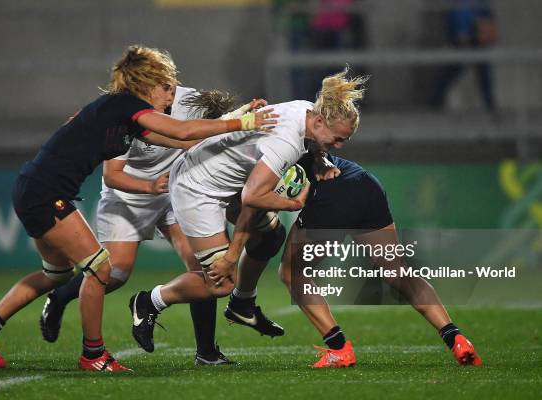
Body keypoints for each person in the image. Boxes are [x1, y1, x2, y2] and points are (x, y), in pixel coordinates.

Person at [0, 45, 276, 372]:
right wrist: (245, 124)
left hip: (34, 187)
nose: (170, 96)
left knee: (57, 274)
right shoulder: (126, 106)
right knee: (102, 270)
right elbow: (181, 132)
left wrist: (238, 117)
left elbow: (183, 140)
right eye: (164, 87)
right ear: (145, 84)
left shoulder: (122, 112)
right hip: (46, 193)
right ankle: (93, 355)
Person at [129, 67, 366, 354]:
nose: (338, 146)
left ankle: (243, 304)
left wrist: (320, 159)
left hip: (222, 179)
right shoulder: (287, 142)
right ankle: (149, 301)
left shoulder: (306, 109)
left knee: (270, 236)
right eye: (337, 138)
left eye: (344, 141)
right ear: (318, 121)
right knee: (220, 281)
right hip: (197, 188)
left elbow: (310, 146)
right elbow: (253, 198)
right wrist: (234, 253)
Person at [39, 86, 265, 365]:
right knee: (115, 273)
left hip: (174, 192)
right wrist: (150, 186)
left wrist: (249, 112)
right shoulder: (124, 112)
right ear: (149, 83)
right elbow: (113, 176)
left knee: (205, 268)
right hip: (129, 196)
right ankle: (60, 297)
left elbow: (213, 125)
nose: (171, 90)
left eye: (172, 82)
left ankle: (206, 352)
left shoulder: (189, 99)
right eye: (164, 83)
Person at [226, 147, 483, 368]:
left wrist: (232, 252)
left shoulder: (262, 154)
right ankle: (457, 339)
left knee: (293, 272)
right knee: (396, 271)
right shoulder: (298, 134)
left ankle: (339, 349)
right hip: (365, 185)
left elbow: (251, 204)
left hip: (330, 198)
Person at [430, 0, 497, 111]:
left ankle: (490, 104)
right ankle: (435, 100)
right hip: (464, 38)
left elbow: (487, 16)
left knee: (483, 71)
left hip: (477, 39)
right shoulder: (459, 8)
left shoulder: (480, 6)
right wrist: (461, 35)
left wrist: (487, 31)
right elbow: (455, 17)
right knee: (453, 69)